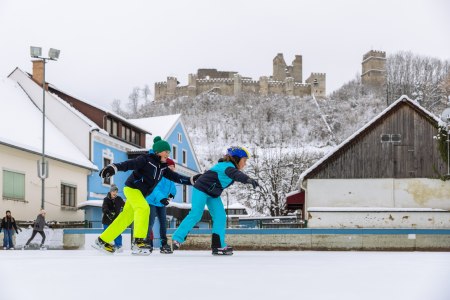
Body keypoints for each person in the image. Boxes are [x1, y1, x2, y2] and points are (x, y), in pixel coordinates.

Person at [94, 136, 200, 255]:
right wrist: (114, 167)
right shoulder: (146, 159)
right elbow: (130, 164)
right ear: (158, 151)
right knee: (143, 208)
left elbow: (176, 177)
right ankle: (138, 242)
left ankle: (102, 240)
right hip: (132, 188)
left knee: (126, 218)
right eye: (166, 151)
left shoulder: (163, 168)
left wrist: (191, 180)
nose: (168, 154)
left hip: (141, 194)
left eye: (169, 152)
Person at [172, 146, 259, 255]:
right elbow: (236, 175)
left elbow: (234, 174)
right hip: (201, 189)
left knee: (220, 216)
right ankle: (177, 238)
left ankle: (218, 245)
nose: (245, 164)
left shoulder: (229, 167)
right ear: (236, 159)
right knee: (196, 214)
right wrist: (247, 179)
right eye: (244, 160)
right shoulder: (227, 167)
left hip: (213, 194)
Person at [145, 157, 177, 254]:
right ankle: (148, 243)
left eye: (173, 167)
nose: (172, 168)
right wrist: (162, 198)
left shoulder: (171, 177)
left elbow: (173, 187)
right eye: (170, 166)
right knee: (150, 222)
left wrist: (172, 193)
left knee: (163, 223)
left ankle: (164, 244)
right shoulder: (161, 175)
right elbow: (155, 189)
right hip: (152, 201)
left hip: (161, 202)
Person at [102, 184, 125, 252]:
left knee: (117, 233)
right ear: (110, 192)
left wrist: (123, 212)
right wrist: (109, 213)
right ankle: (104, 245)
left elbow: (125, 206)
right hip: (107, 220)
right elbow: (104, 208)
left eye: (116, 192)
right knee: (106, 233)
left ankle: (119, 246)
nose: (115, 193)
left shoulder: (119, 199)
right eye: (113, 191)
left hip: (116, 220)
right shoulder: (106, 199)